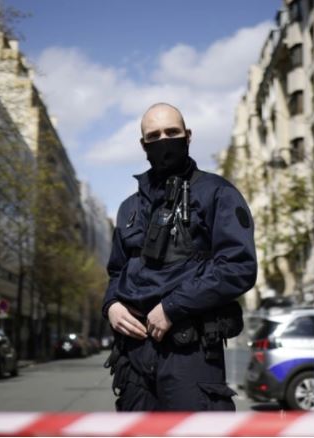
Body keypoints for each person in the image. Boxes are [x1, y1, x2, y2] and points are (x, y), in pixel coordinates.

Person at [102, 103, 257, 411]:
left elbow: (239, 267)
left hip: (190, 353)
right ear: (143, 144)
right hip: (134, 357)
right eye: (154, 135)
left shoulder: (217, 193)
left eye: (172, 132)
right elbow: (116, 272)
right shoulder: (128, 208)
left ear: (188, 136)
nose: (164, 140)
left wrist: (172, 307)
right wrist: (111, 306)